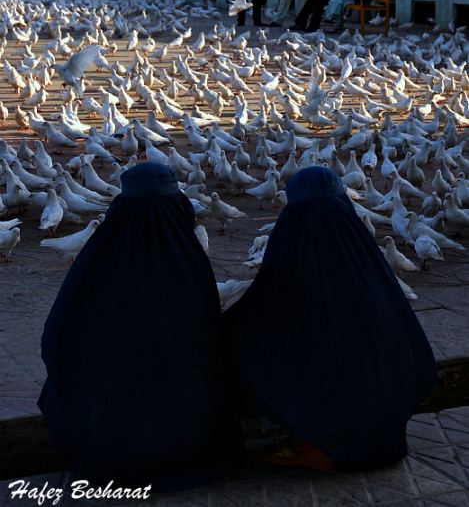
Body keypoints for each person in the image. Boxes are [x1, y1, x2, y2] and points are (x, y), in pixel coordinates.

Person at [38, 162, 242, 490]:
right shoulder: (188, 263)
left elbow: (57, 339)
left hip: (107, 443)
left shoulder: (97, 263)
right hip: (187, 442)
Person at [224, 166, 437, 470]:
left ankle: (323, 441)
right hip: (388, 419)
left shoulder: (296, 253)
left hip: (341, 412)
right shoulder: (365, 258)